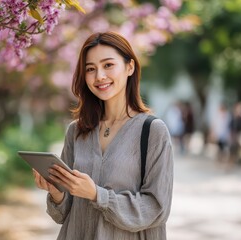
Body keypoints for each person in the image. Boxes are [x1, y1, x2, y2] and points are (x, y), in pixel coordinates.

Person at [33, 31, 174, 240]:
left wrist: (97, 195)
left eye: (108, 65)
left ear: (130, 67)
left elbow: (156, 208)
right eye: (91, 69)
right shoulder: (76, 131)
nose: (99, 76)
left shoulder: (153, 131)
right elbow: (63, 213)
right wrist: (56, 192)